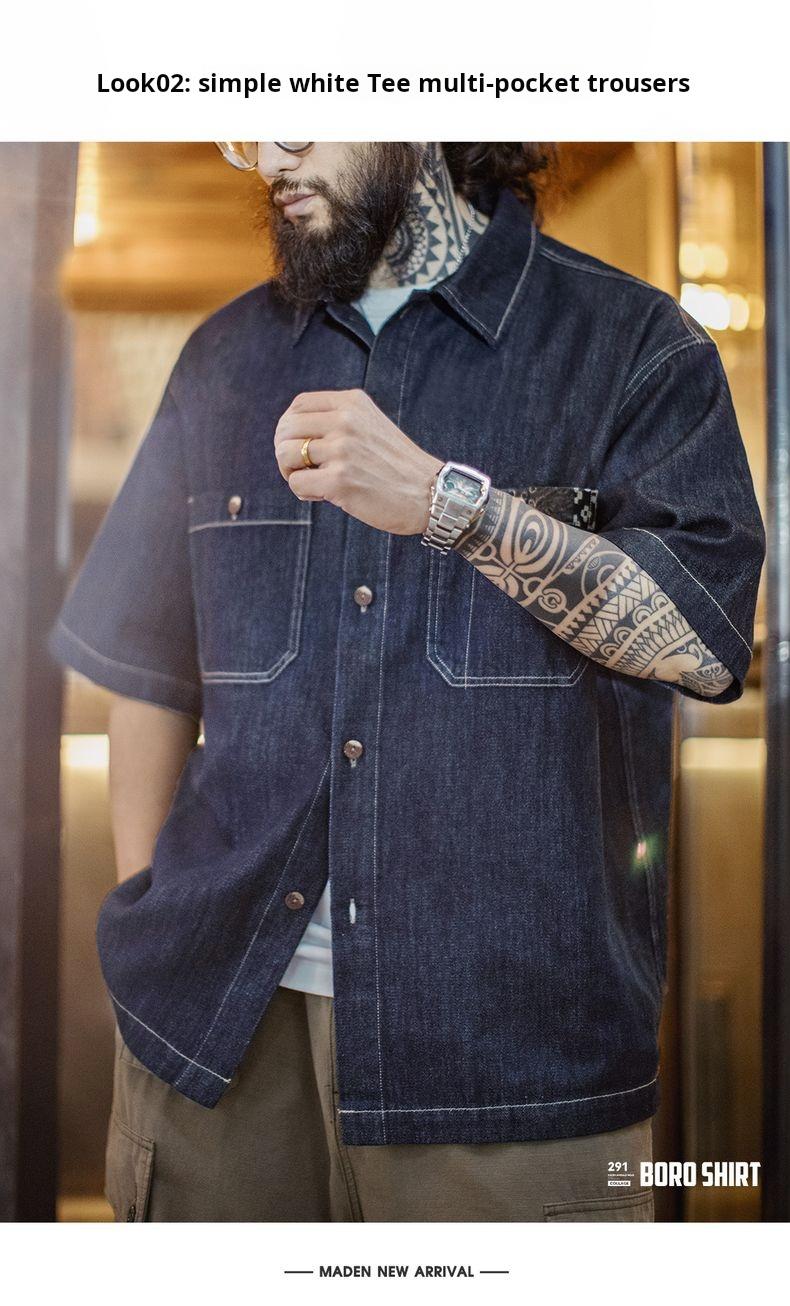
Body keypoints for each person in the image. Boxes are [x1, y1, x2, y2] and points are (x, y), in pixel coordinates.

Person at [50, 142, 765, 1222]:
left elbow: (705, 645)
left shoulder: (631, 344)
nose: (265, 153)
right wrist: (159, 932)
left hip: (512, 1069)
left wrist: (448, 505)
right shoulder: (222, 358)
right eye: (245, 120)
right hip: (213, 1046)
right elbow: (149, 670)